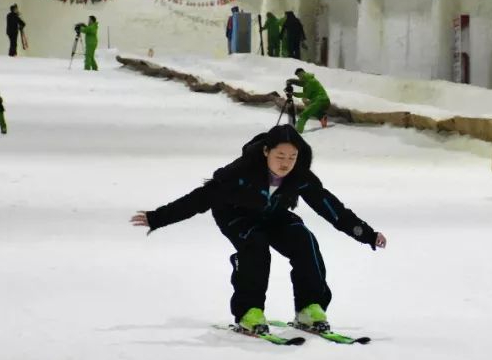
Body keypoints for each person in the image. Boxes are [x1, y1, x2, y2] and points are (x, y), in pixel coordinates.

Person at [129, 124, 387, 335]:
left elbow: (331, 208)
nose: (286, 163)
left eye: (292, 157)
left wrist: (366, 234)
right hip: (235, 217)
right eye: (280, 156)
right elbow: (200, 199)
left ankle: (310, 307)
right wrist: (157, 218)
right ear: (266, 152)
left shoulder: (300, 177)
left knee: (303, 238)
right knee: (255, 245)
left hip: (272, 215)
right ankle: (249, 312)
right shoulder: (241, 172)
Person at [288, 67, 331, 132]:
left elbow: (305, 95)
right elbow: (300, 83)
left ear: (301, 74)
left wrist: (294, 94)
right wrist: (291, 81)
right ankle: (322, 117)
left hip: (320, 100)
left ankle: (298, 131)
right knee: (310, 108)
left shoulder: (310, 81)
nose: (299, 78)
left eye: (299, 76)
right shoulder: (308, 80)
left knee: (304, 115)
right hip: (322, 100)